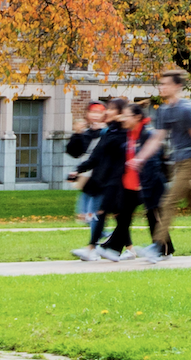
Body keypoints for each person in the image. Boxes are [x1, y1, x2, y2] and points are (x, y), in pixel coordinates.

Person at [130, 70, 191, 263]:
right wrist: (140, 158)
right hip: (178, 162)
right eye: (161, 84)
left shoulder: (187, 110)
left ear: (177, 86)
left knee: (168, 201)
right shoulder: (165, 110)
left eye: (165, 84)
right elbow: (157, 138)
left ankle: (157, 246)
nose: (161, 87)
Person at [95, 100, 153, 261]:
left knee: (152, 216)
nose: (124, 118)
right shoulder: (129, 133)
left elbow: (152, 158)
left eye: (128, 116)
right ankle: (114, 248)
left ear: (136, 117)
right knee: (124, 216)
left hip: (143, 183)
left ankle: (161, 248)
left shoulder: (145, 133)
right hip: (129, 183)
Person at [65, 99, 109, 238]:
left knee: (93, 213)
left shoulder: (108, 133)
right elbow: (74, 152)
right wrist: (77, 134)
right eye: (92, 112)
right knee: (83, 214)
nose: (95, 115)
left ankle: (97, 241)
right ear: (87, 114)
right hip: (86, 178)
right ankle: (102, 235)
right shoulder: (85, 134)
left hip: (101, 178)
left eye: (99, 112)